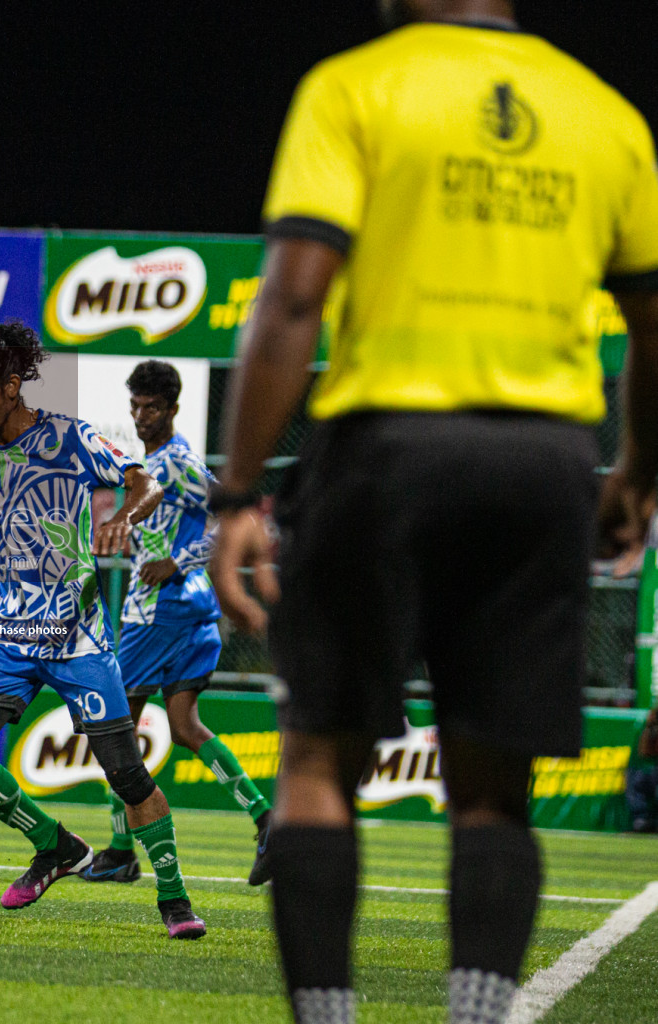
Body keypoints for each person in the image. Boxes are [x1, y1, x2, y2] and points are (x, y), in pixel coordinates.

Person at [209, 3, 658, 1022]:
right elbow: (653, 324)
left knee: (320, 756)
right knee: (492, 784)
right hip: (544, 462)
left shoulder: (355, 84)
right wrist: (633, 470)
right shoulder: (605, 115)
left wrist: (236, 492)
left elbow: (291, 297)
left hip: (385, 449)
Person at [0, 321, 207, 939]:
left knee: (126, 773)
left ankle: (175, 901)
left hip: (78, 638)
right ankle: (55, 845)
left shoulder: (70, 437)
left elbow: (143, 480)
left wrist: (125, 517)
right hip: (8, 635)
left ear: (13, 385)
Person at [79, 360, 274, 886]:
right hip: (188, 610)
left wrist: (177, 563)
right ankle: (264, 817)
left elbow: (235, 519)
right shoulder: (157, 460)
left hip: (158, 612)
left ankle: (122, 850)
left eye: (151, 408)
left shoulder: (179, 460)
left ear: (172, 409)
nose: (141, 416)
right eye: (135, 407)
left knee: (112, 726)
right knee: (185, 727)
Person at [626, 707, 658, 833]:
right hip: (648, 771)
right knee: (635, 780)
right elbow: (644, 752)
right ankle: (641, 820)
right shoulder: (646, 730)